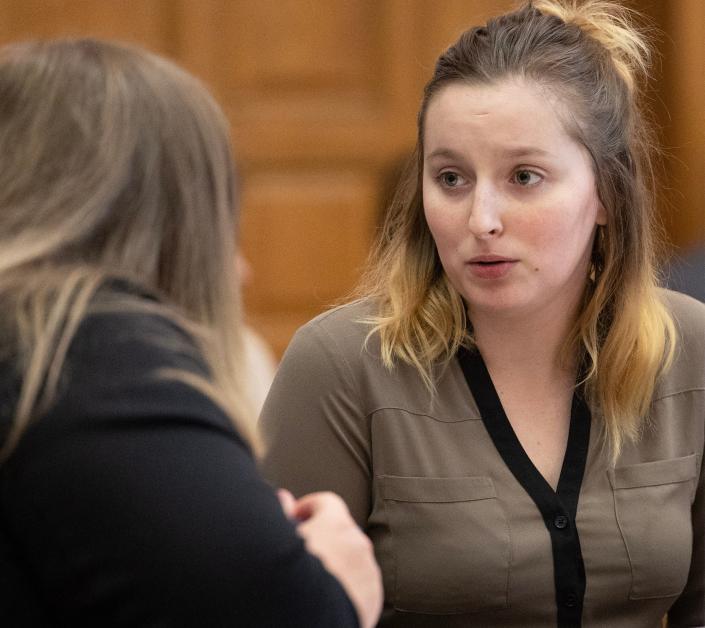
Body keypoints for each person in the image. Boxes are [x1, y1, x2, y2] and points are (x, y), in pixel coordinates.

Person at [260, 1, 705, 626]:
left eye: (524, 176)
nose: (481, 220)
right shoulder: (340, 367)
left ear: (605, 192)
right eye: (451, 178)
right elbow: (279, 606)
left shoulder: (692, 350)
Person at [0, 39, 382, 627]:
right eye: (222, 227)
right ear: (167, 227)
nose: (242, 271)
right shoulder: (94, 358)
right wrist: (333, 581)